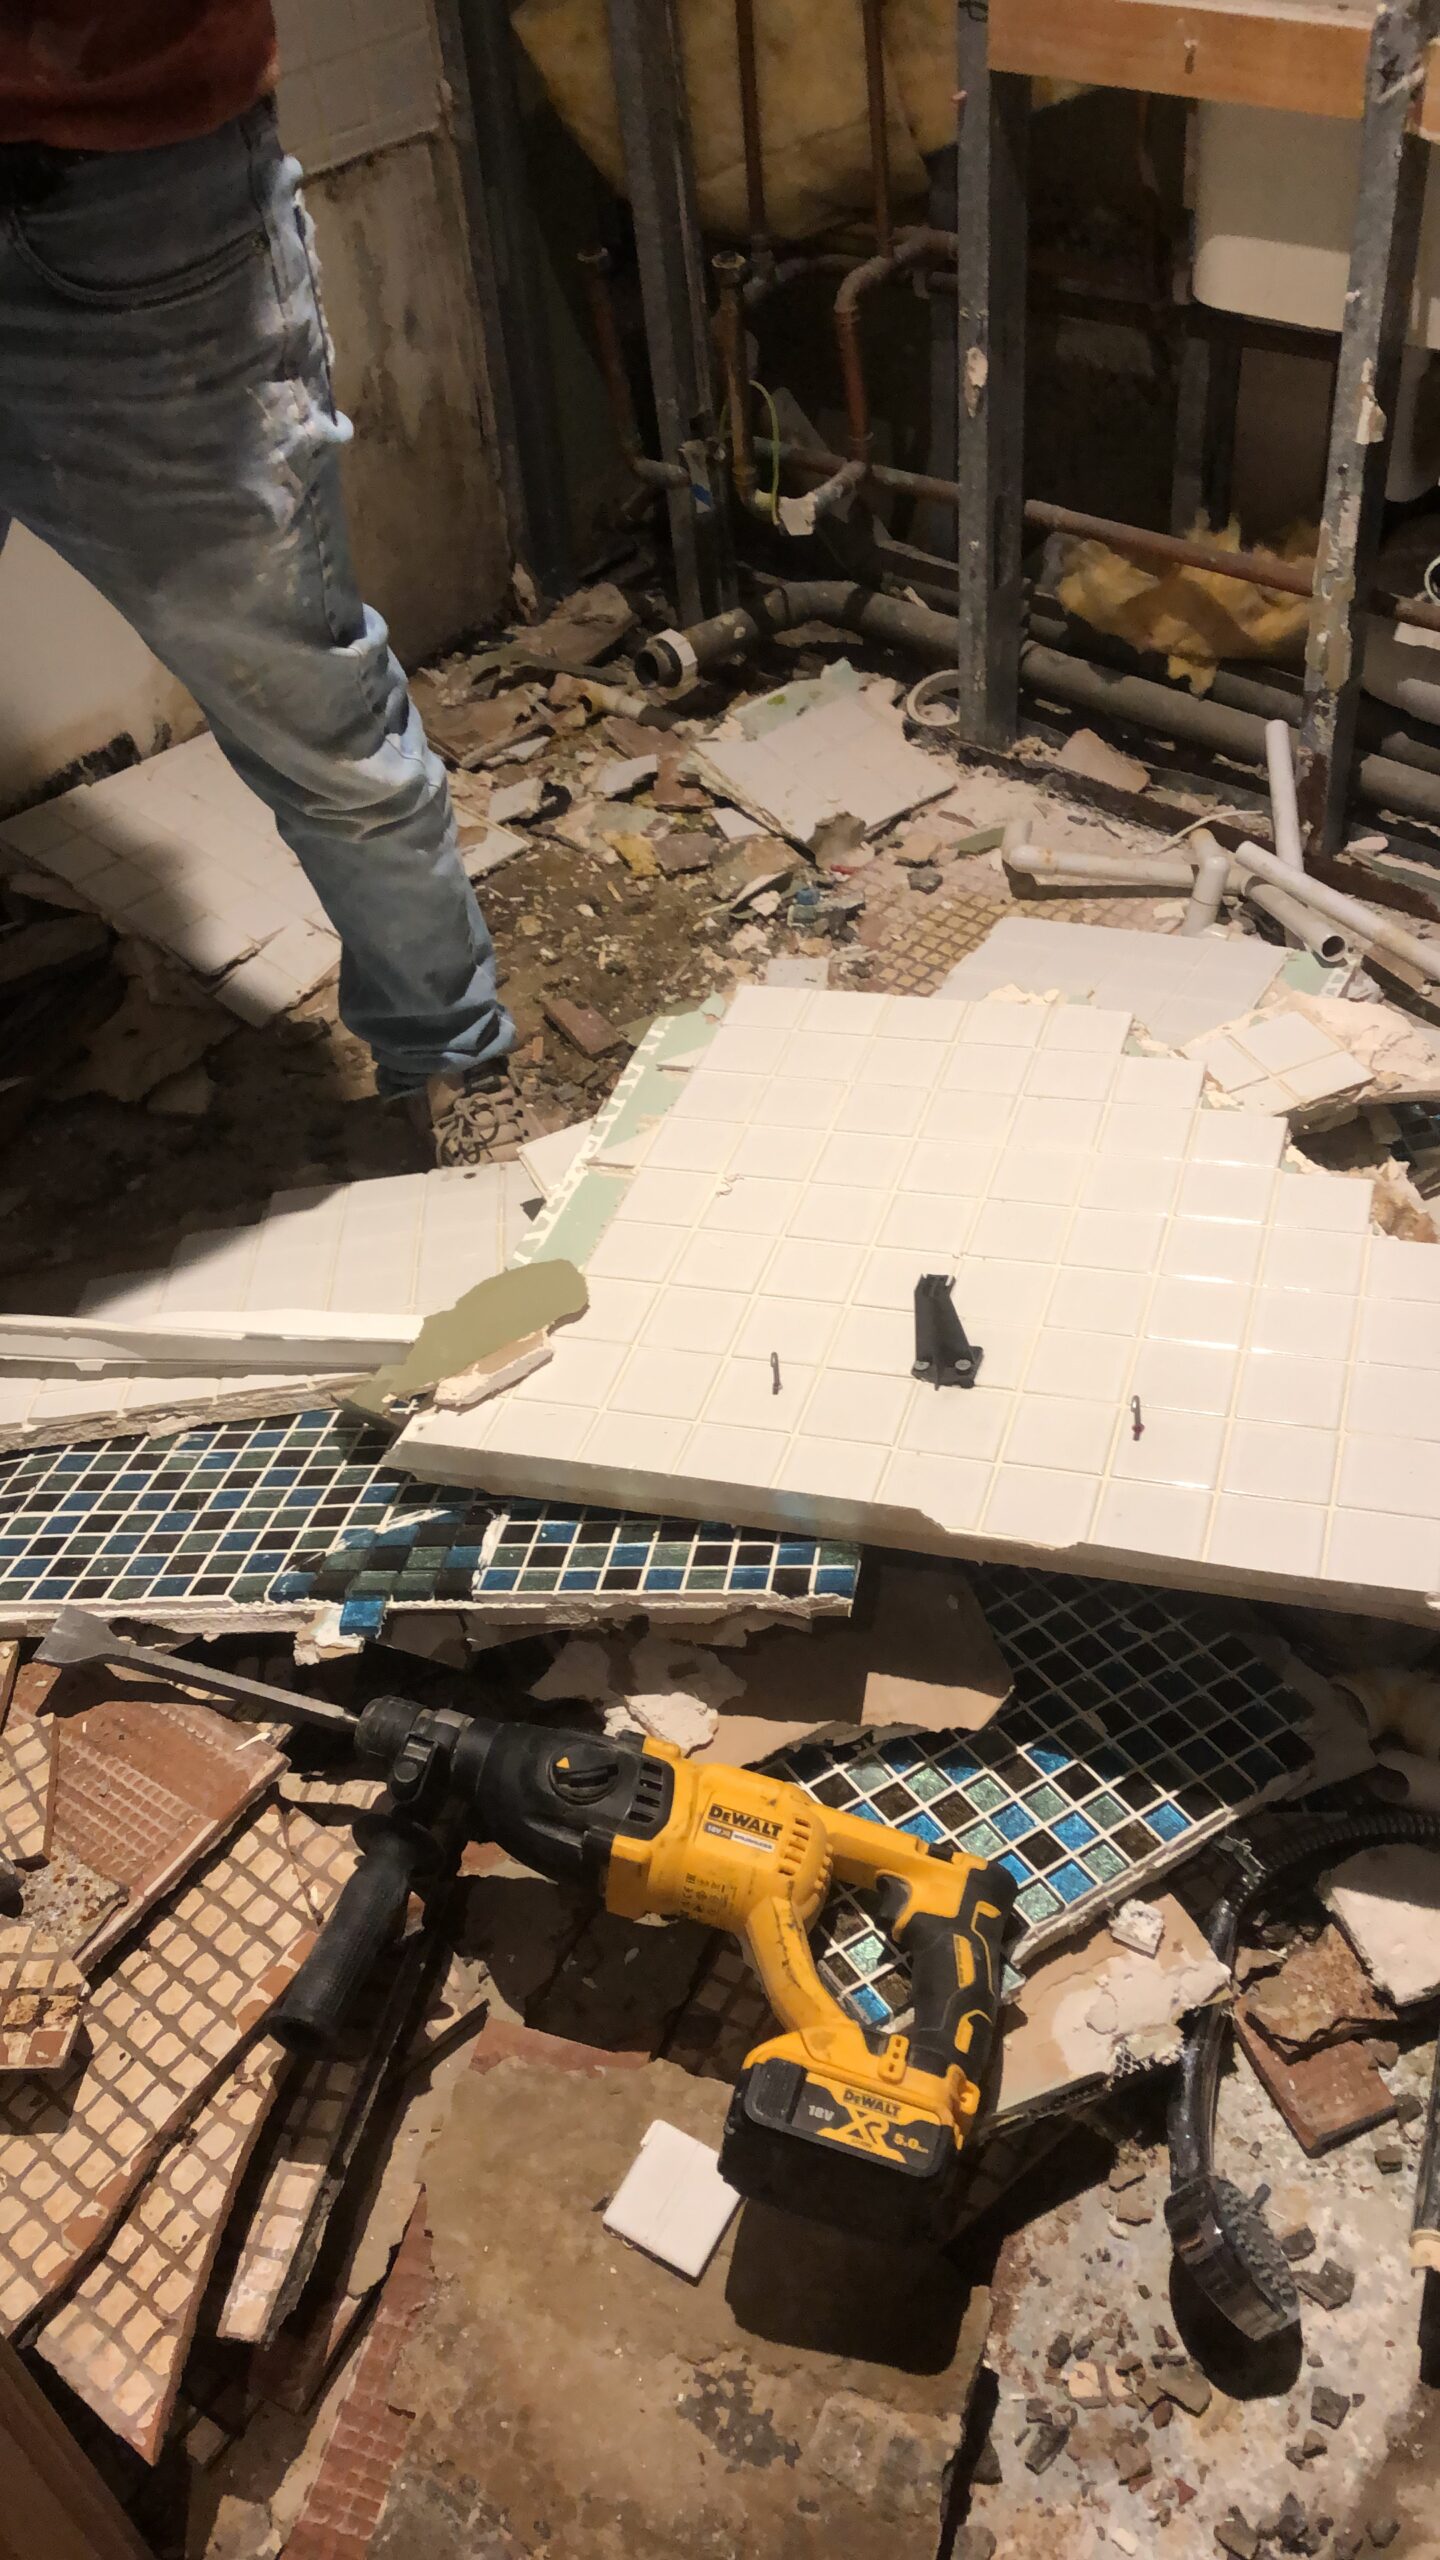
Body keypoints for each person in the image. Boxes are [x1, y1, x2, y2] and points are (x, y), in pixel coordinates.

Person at [0, 4, 512, 1140]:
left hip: (115, 200)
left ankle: (450, 1075)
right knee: (320, 725)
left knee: (315, 722)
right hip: (115, 192)